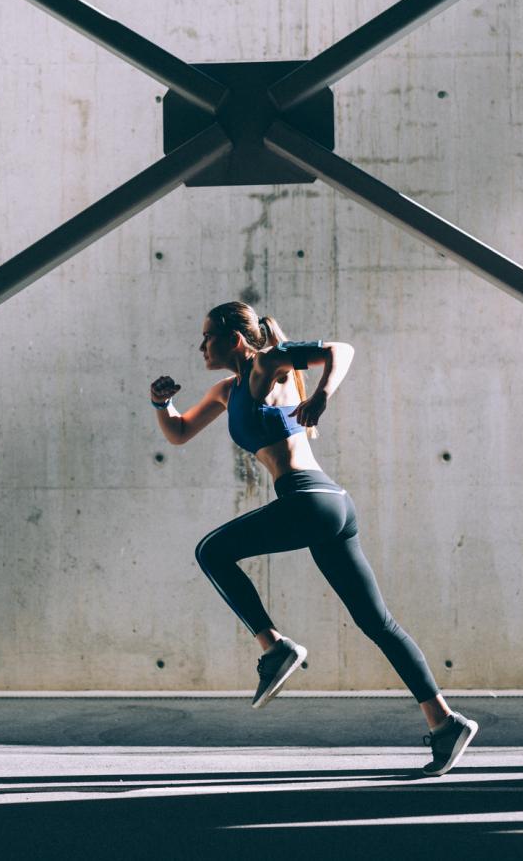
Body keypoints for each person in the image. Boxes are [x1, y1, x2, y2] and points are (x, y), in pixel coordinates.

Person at [148, 300, 479, 777]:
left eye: (207, 336)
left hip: (308, 499)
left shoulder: (266, 365)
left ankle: (275, 647)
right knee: (378, 623)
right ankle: (445, 722)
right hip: (331, 505)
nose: (200, 345)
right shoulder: (228, 390)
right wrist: (162, 404)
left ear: (235, 340)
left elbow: (339, 349)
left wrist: (324, 393)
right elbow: (179, 433)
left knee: (211, 551)